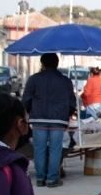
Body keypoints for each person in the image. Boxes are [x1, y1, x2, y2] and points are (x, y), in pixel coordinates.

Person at [22, 53, 76, 188]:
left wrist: (30, 112)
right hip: (58, 119)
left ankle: (40, 178)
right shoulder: (65, 81)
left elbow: (26, 99)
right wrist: (67, 114)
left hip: (38, 118)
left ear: (42, 64)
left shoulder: (34, 79)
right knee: (55, 149)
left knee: (39, 149)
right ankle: (52, 179)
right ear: (57, 64)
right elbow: (72, 102)